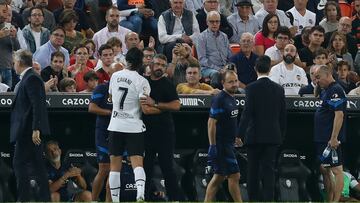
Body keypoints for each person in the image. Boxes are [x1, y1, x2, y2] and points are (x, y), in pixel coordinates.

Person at [238, 54, 286, 202]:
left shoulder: (251, 88)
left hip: (254, 136)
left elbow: (247, 114)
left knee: (252, 171)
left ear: (255, 68)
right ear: (270, 69)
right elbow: (283, 116)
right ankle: (268, 199)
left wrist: (239, 134)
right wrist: (281, 136)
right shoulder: (278, 89)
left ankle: (253, 199)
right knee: (269, 172)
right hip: (273, 136)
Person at [107, 47, 151, 202]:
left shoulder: (115, 76)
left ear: (126, 60)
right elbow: (145, 106)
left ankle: (115, 200)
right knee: (137, 162)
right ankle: (140, 194)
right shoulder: (142, 81)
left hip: (115, 125)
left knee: (114, 166)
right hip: (134, 125)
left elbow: (111, 98)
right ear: (140, 63)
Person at [139, 54, 183, 201]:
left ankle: (175, 198)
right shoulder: (143, 82)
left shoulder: (167, 84)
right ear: (151, 64)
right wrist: (164, 108)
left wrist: (156, 104)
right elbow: (146, 110)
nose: (159, 68)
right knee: (146, 168)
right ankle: (144, 198)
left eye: (162, 66)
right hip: (146, 133)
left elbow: (177, 105)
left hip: (165, 133)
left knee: (168, 168)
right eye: (157, 64)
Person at [10, 49, 51, 201]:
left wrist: (35, 129)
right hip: (28, 130)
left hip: (28, 131)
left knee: (19, 164)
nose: (13, 65)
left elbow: (38, 105)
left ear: (19, 62)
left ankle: (24, 198)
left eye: (14, 62)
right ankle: (43, 198)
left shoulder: (31, 78)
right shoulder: (29, 77)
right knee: (37, 165)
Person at [204, 70, 242, 202]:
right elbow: (211, 123)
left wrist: (235, 137)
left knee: (218, 177)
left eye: (235, 81)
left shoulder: (232, 98)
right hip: (221, 145)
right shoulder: (219, 99)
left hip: (229, 144)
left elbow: (230, 121)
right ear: (223, 83)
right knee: (234, 175)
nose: (234, 84)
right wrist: (212, 145)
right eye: (230, 82)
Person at [88, 62, 123, 202]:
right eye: (116, 73)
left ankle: (110, 201)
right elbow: (92, 108)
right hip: (104, 132)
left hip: (120, 132)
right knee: (104, 168)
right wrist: (110, 112)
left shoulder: (126, 90)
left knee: (115, 171)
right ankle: (94, 200)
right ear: (109, 74)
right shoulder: (102, 88)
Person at [314, 64, 346, 202]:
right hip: (322, 138)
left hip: (330, 139)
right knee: (324, 169)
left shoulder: (336, 90)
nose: (316, 81)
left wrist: (334, 138)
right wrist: (318, 87)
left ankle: (335, 201)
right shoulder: (326, 90)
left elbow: (339, 115)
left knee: (337, 171)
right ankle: (330, 199)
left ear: (327, 75)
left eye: (318, 77)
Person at [196, 10, 232, 88]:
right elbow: (202, 59)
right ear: (207, 22)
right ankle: (216, 95)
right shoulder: (201, 37)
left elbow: (230, 56)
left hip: (224, 67)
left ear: (220, 22)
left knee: (234, 70)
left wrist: (228, 67)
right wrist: (219, 69)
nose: (215, 24)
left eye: (217, 21)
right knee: (216, 74)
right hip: (207, 69)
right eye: (212, 22)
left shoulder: (224, 36)